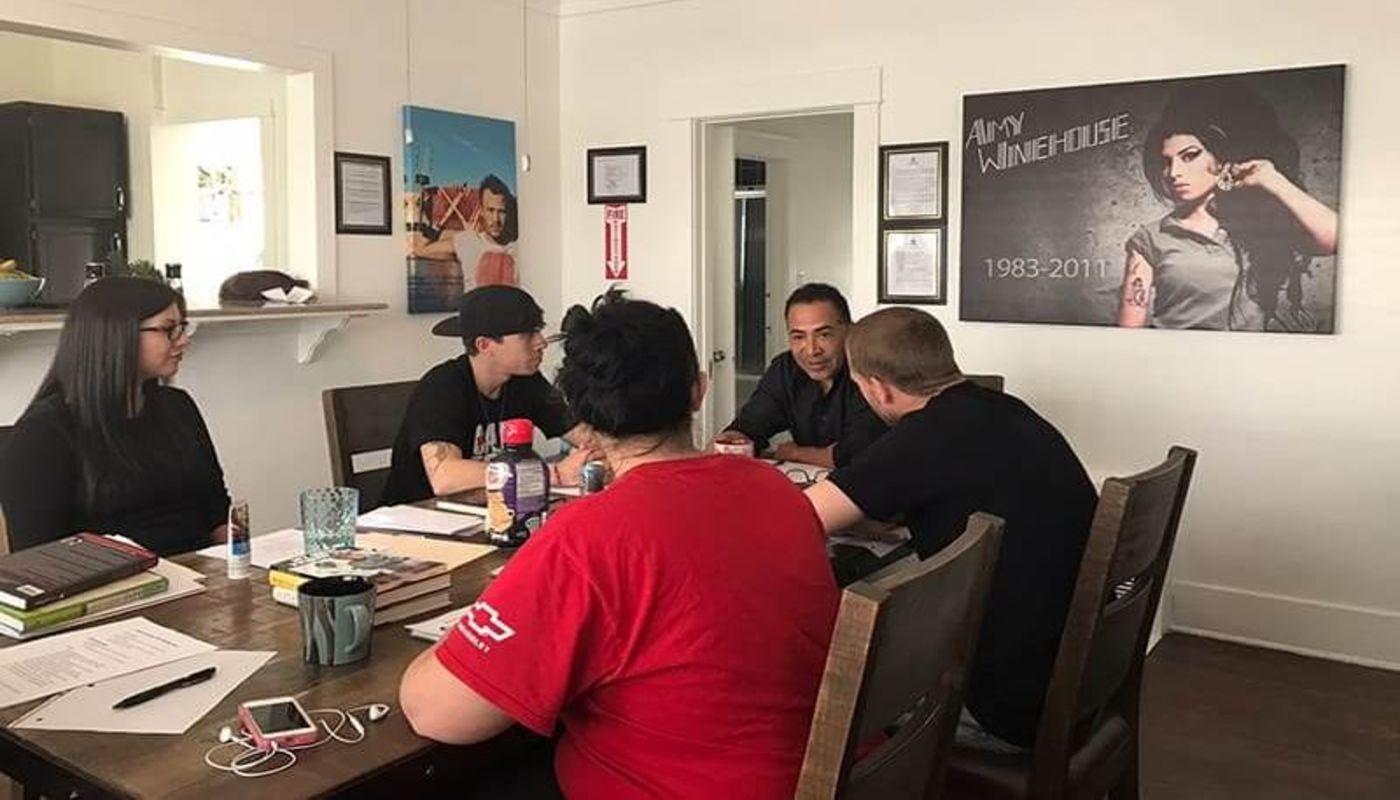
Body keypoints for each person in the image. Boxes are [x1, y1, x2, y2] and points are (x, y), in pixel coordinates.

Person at [399, 296, 840, 799]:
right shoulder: (778, 490)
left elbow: (434, 712)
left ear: (583, 415)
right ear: (699, 391)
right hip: (819, 774)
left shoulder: (588, 537)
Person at [804, 307, 1097, 752]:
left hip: (1007, 709)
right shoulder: (1007, 410)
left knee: (819, 692)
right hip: (1078, 679)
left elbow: (802, 516)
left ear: (879, 388)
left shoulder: (923, 437)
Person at [0, 277, 230, 555]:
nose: (183, 341)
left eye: (183, 327)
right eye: (169, 329)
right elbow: (39, 559)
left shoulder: (178, 406)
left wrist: (236, 567)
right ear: (117, 335)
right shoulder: (42, 434)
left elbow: (216, 511)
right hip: (113, 579)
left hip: (201, 571)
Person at [1118, 79, 1339, 331]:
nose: (1174, 172)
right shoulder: (1150, 237)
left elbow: (1336, 239)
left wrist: (1271, 179)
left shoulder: (1258, 226)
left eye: (1189, 156)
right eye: (1166, 162)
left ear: (1222, 159)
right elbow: (1129, 327)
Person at [381, 285, 589, 505]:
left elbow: (585, 436)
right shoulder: (442, 386)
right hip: (419, 515)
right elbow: (445, 476)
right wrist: (551, 473)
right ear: (484, 345)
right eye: (527, 334)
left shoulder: (526, 381)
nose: (541, 342)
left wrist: (598, 452)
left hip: (492, 510)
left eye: (538, 330)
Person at [716, 283, 886, 468]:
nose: (812, 350)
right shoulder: (785, 369)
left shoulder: (871, 372)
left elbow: (856, 454)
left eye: (824, 335)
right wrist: (729, 441)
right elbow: (750, 426)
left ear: (849, 330)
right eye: (798, 337)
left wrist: (793, 453)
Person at [410, 175, 518, 290]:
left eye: (501, 211)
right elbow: (421, 251)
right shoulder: (467, 241)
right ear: (482, 211)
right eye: (490, 210)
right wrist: (454, 255)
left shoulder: (519, 247)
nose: (496, 219)